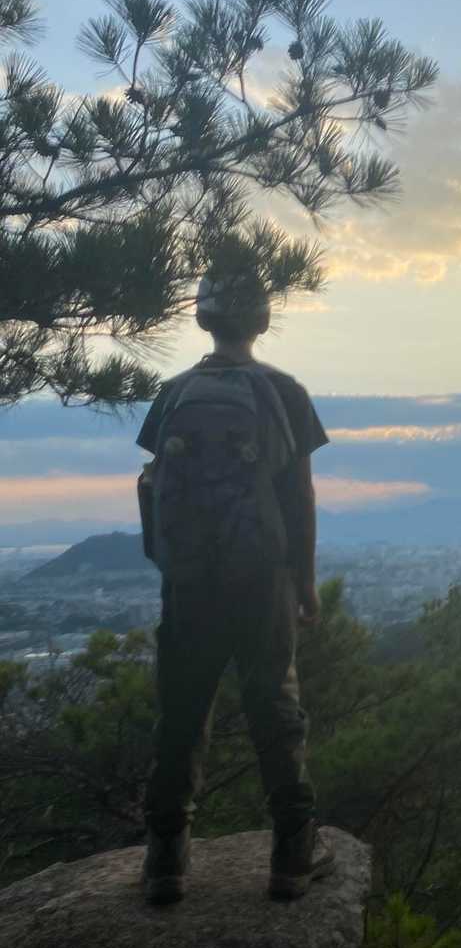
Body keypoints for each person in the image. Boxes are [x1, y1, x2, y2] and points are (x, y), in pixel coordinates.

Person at [135, 270, 334, 905]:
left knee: (181, 711)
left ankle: (165, 858)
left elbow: (154, 484)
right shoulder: (284, 392)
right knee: (274, 707)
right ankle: (292, 853)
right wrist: (304, 581)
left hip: (189, 582)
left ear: (203, 319)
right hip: (260, 581)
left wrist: (171, 563)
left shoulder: (174, 393)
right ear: (263, 321)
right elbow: (299, 497)